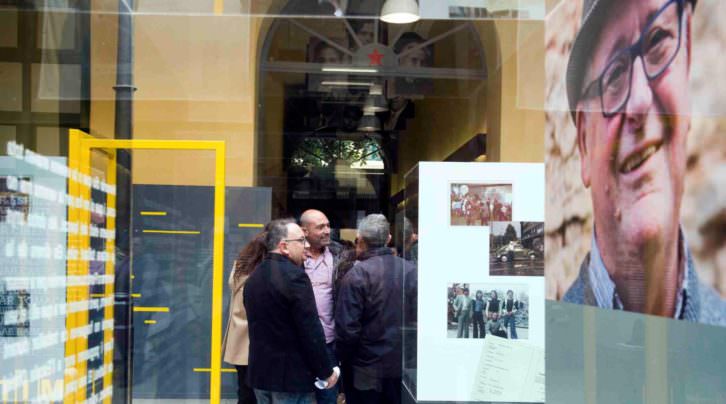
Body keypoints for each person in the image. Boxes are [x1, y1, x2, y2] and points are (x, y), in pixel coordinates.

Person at [563, 0, 726, 324]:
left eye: (656, 42)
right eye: (614, 75)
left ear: (687, 56)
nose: (639, 100)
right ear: (584, 141)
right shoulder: (543, 354)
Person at [244, 219, 339, 403]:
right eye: (301, 240)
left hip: (260, 376)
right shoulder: (296, 278)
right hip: (290, 379)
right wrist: (326, 371)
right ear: (284, 246)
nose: (306, 246)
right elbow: (310, 330)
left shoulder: (254, 276)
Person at [335, 214, 415, 404]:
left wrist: (346, 361)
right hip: (401, 366)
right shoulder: (411, 271)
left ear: (360, 239)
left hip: (365, 369)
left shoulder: (356, 275)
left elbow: (347, 329)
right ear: (388, 238)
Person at [299, 209, 343, 404]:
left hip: (328, 341)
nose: (327, 231)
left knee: (328, 395)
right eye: (320, 227)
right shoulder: (292, 257)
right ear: (305, 231)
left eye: (327, 225)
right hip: (299, 341)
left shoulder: (340, 255)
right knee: (300, 395)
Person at [223, 231, 268, 404]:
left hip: (238, 338)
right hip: (255, 339)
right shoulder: (262, 274)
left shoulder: (240, 268)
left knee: (244, 388)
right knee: (256, 391)